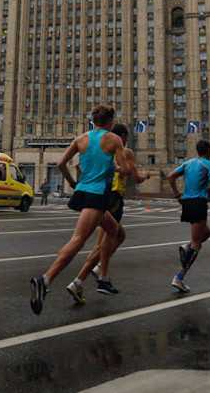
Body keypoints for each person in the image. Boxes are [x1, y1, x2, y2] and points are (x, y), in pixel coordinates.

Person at [29, 105, 132, 315]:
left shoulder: (81, 139)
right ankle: (45, 280)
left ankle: (103, 278)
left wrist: (73, 183)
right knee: (78, 240)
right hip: (97, 195)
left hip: (84, 191)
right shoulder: (114, 139)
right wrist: (115, 167)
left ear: (94, 121)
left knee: (115, 231)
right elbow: (125, 170)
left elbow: (61, 163)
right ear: (109, 121)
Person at [66, 122, 144, 304]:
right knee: (101, 244)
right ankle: (81, 280)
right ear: (122, 136)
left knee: (119, 235)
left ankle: (97, 269)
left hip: (102, 194)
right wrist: (145, 176)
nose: (126, 140)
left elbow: (78, 166)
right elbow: (135, 177)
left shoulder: (103, 149)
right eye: (126, 137)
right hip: (114, 198)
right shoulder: (125, 152)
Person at [167, 140, 210, 293]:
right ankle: (180, 277)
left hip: (187, 203)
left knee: (206, 233)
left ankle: (187, 247)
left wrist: (177, 195)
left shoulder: (187, 163)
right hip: (198, 203)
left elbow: (171, 176)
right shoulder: (209, 165)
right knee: (197, 243)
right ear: (208, 150)